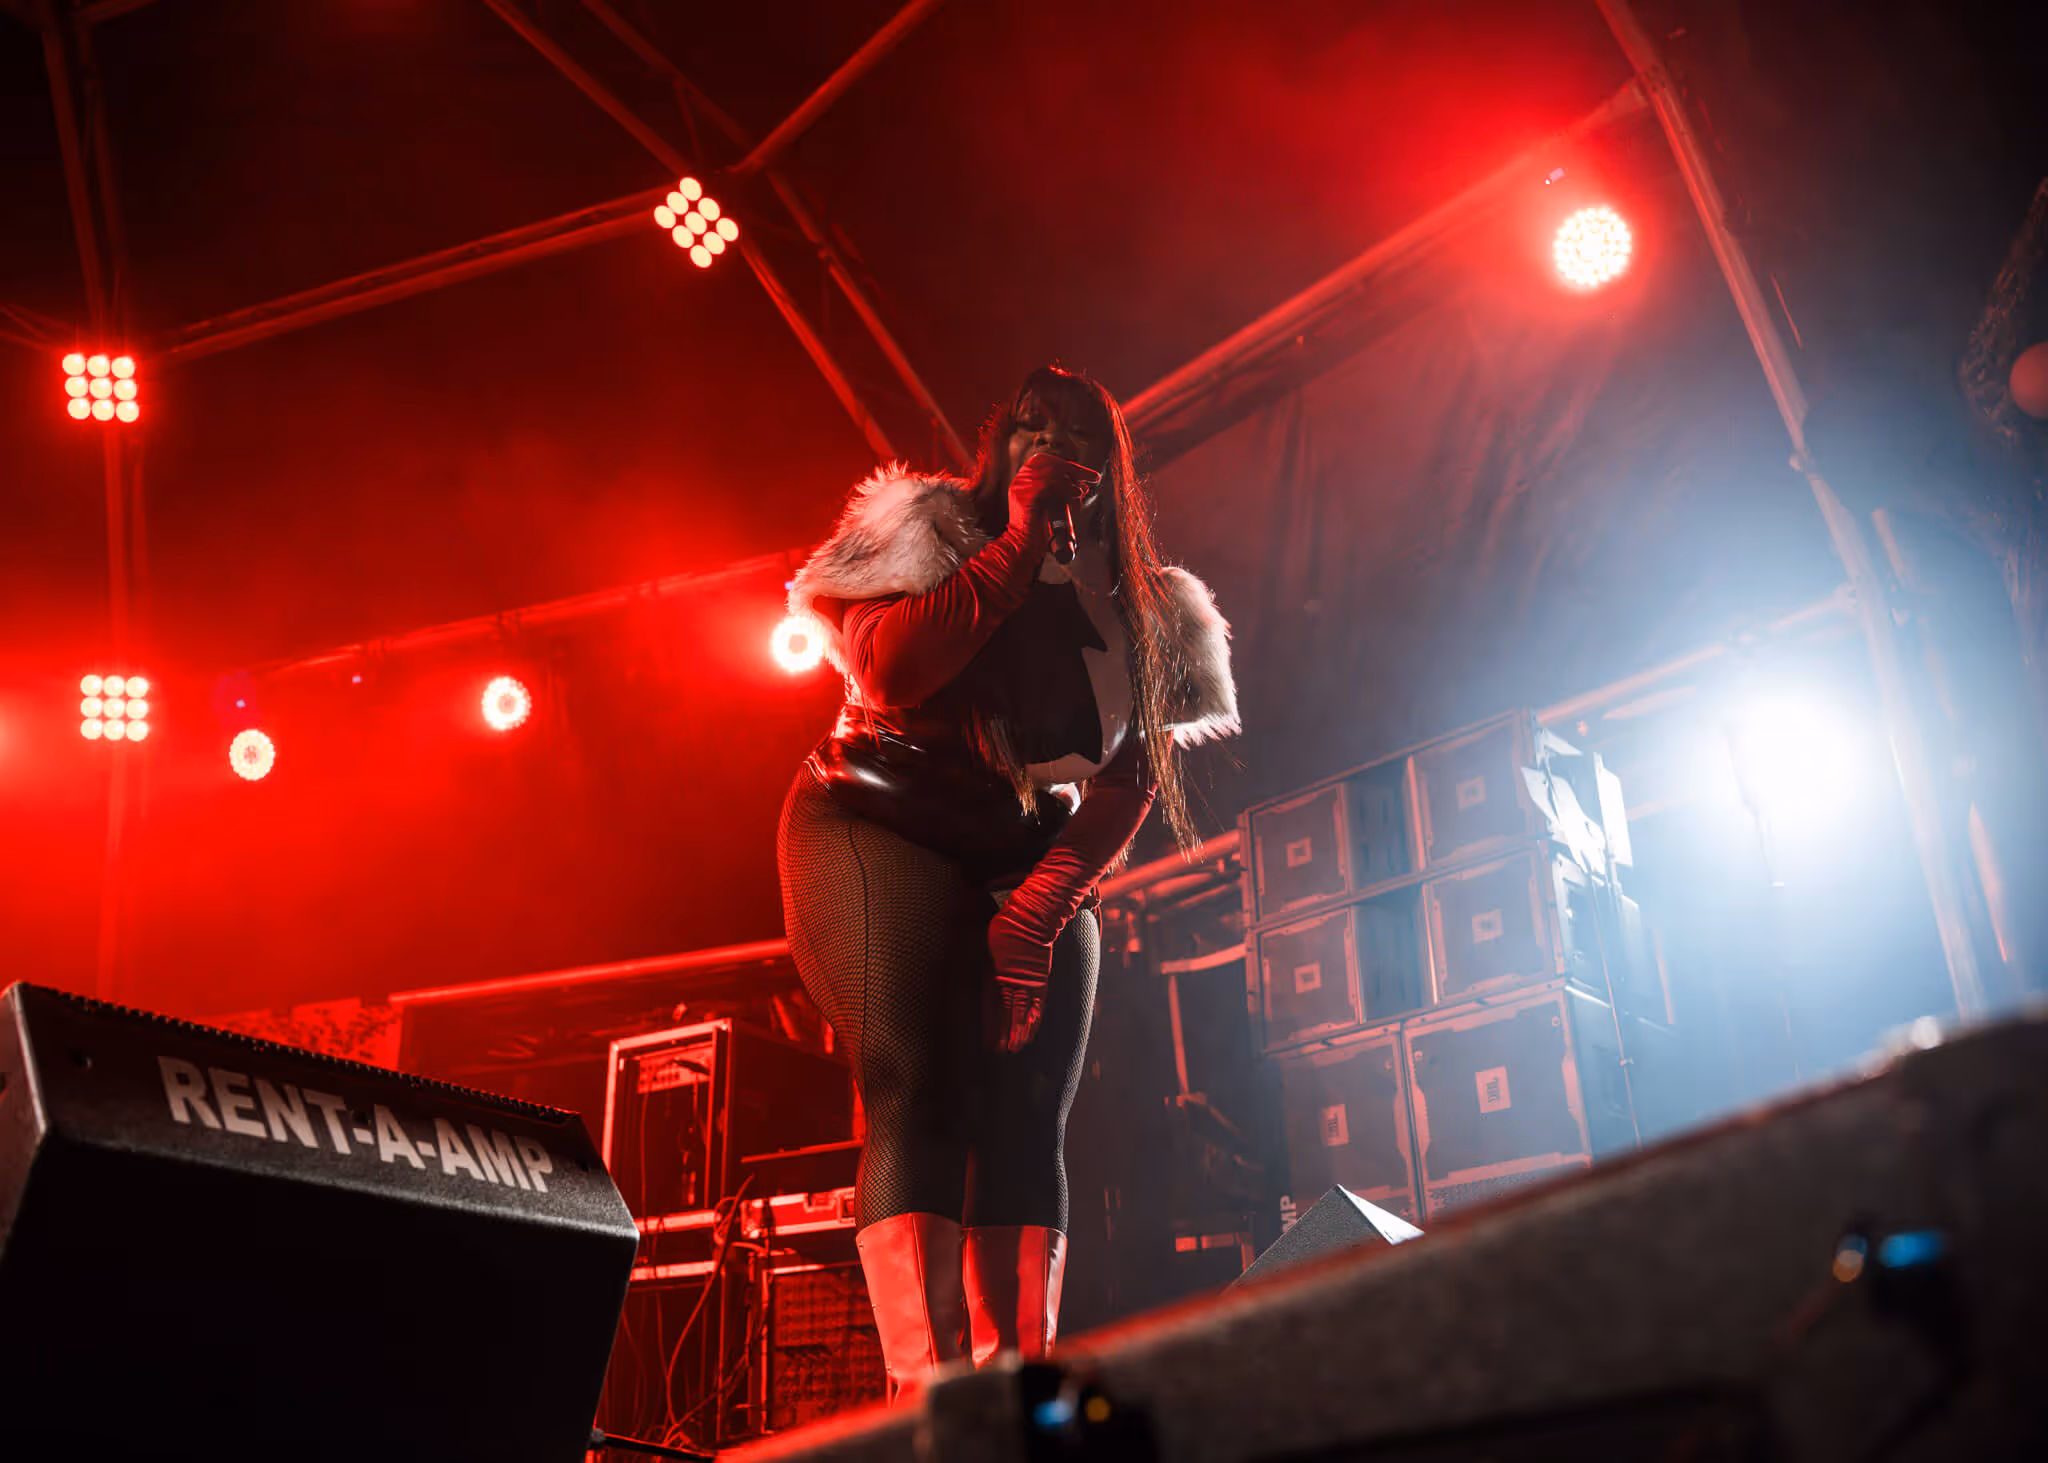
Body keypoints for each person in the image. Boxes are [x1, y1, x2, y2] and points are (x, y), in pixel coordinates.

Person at [778, 365, 1238, 1398]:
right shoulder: (924, 529)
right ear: (996, 444)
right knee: (915, 1076)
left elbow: (1128, 782)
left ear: (1107, 464)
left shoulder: (1148, 608)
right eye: (1027, 424)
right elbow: (891, 672)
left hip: (1026, 843)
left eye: (1072, 432)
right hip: (874, 814)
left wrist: (1036, 910)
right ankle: (929, 1403)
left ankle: (1012, 1400)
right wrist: (1015, 544)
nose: (1046, 444)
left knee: (1030, 1109)